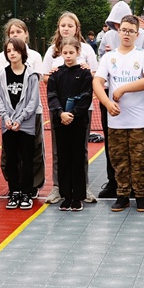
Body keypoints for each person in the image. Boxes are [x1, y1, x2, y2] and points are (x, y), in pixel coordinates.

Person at [93, 14, 144, 212]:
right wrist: (107, 102)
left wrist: (123, 89)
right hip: (116, 120)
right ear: (118, 32)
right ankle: (122, 195)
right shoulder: (108, 57)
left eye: (131, 31)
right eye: (124, 30)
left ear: (137, 34)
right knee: (119, 160)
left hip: (140, 120)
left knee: (140, 160)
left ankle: (140, 195)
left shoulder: (143, 55)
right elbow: (97, 82)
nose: (127, 34)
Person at [42, 13, 98, 204]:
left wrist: (85, 72)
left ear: (77, 28)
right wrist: (52, 75)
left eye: (70, 25)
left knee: (81, 150)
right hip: (59, 110)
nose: (66, 28)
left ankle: (83, 187)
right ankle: (58, 187)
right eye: (63, 25)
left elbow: (94, 75)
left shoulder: (87, 50)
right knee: (59, 150)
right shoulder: (52, 51)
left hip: (82, 109)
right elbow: (46, 77)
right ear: (58, 28)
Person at [0, 19, 45, 197]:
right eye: (12, 32)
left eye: (19, 31)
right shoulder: (3, 58)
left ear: (26, 34)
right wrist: (8, 117)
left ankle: (31, 187)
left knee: (32, 152)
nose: (15, 34)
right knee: (10, 154)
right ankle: (14, 187)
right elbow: (2, 86)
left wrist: (21, 116)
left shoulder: (35, 57)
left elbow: (34, 89)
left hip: (30, 115)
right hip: (9, 117)